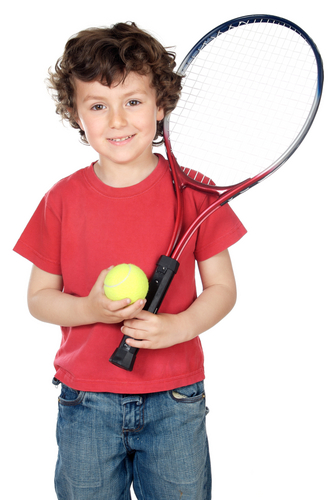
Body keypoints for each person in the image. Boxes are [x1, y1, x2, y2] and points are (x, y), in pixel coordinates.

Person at [14, 22, 246, 500]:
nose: (117, 120)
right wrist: (90, 310)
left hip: (175, 400)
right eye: (98, 105)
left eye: (133, 101)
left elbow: (223, 289)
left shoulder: (195, 193)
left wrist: (176, 329)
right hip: (85, 402)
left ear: (161, 105)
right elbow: (39, 299)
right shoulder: (62, 199)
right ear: (77, 116)